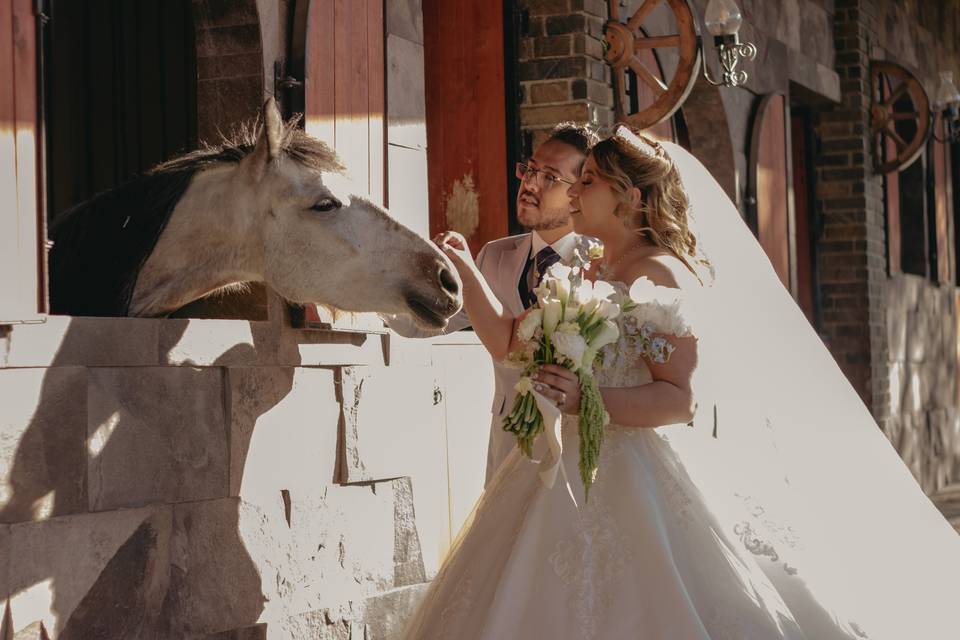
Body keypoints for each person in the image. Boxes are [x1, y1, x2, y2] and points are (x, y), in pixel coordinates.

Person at [402, 126, 960, 639]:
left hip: (634, 478)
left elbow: (681, 399)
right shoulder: (587, 271)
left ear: (629, 197)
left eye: (587, 181)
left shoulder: (657, 274)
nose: (573, 192)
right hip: (557, 469)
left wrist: (586, 397)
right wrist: (463, 266)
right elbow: (508, 342)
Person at [387, 123, 594, 483]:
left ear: (580, 192)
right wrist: (366, 290)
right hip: (509, 446)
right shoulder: (494, 256)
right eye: (530, 169)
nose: (530, 184)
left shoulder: (600, 264)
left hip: (580, 452)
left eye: (549, 177)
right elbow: (426, 321)